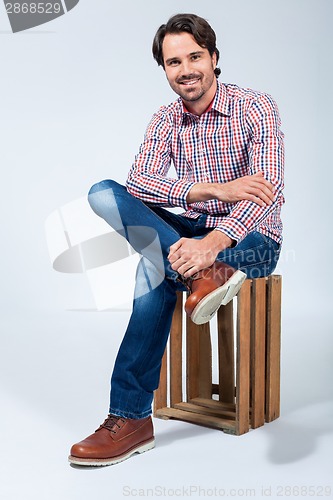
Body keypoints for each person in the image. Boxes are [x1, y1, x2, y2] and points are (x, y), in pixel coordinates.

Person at [69, 13, 284, 466]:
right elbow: (139, 183)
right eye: (173, 62)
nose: (185, 69)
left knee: (154, 269)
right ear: (164, 69)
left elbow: (269, 192)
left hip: (252, 243)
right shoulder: (165, 119)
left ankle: (129, 418)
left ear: (213, 58)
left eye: (194, 56)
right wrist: (208, 191)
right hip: (187, 234)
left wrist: (215, 242)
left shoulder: (255, 107)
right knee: (104, 193)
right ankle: (200, 277)